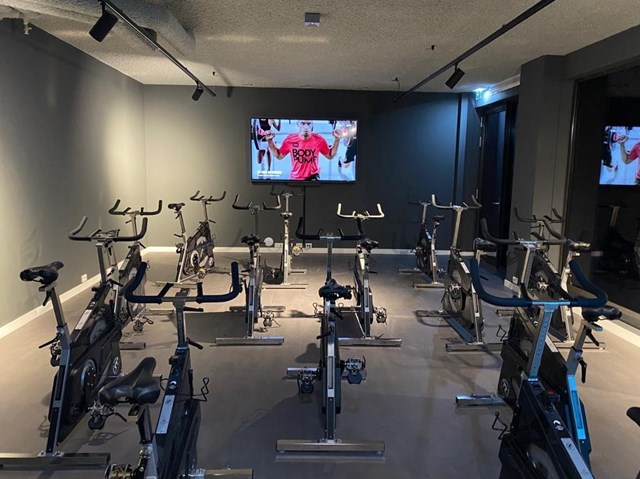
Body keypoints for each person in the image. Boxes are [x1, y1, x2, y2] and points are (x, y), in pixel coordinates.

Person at [265, 120, 341, 180]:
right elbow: (278, 155)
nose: (306, 127)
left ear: (312, 125)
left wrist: (337, 139)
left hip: (313, 176)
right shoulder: (290, 140)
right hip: (295, 178)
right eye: (303, 123)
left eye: (308, 124)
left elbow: (330, 155)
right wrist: (270, 141)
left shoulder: (319, 140)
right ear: (298, 124)